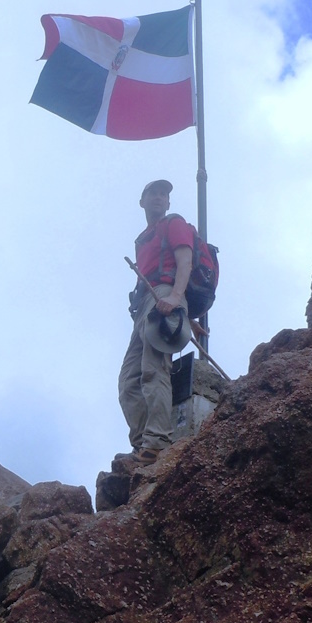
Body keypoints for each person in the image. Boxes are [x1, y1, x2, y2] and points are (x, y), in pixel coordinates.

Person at [115, 180, 194, 469]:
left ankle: (157, 441)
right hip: (145, 306)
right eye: (154, 194)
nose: (160, 198)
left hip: (164, 296)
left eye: (164, 195)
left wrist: (175, 297)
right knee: (128, 382)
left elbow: (184, 261)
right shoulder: (143, 238)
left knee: (153, 369)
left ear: (169, 203)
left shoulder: (173, 223)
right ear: (143, 201)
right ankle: (142, 443)